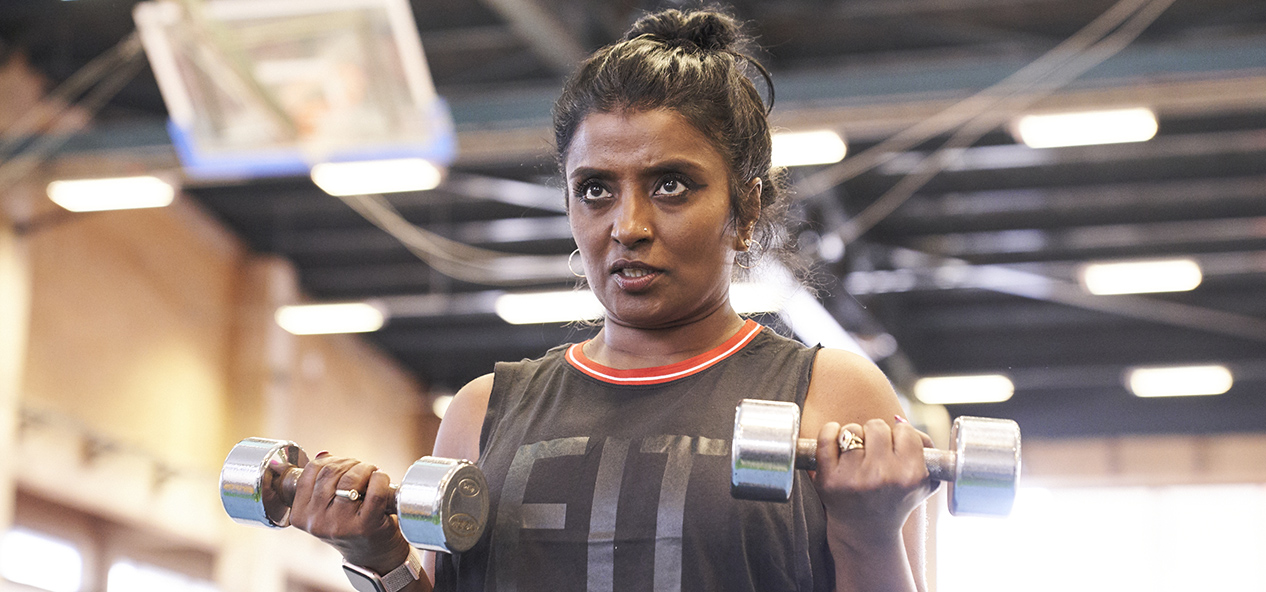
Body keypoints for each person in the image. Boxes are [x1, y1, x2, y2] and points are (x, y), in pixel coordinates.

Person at [287, 8, 936, 592]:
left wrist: (868, 532)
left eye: (672, 185)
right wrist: (377, 557)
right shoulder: (483, 412)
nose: (627, 225)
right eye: (596, 189)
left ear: (745, 208)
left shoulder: (834, 396)